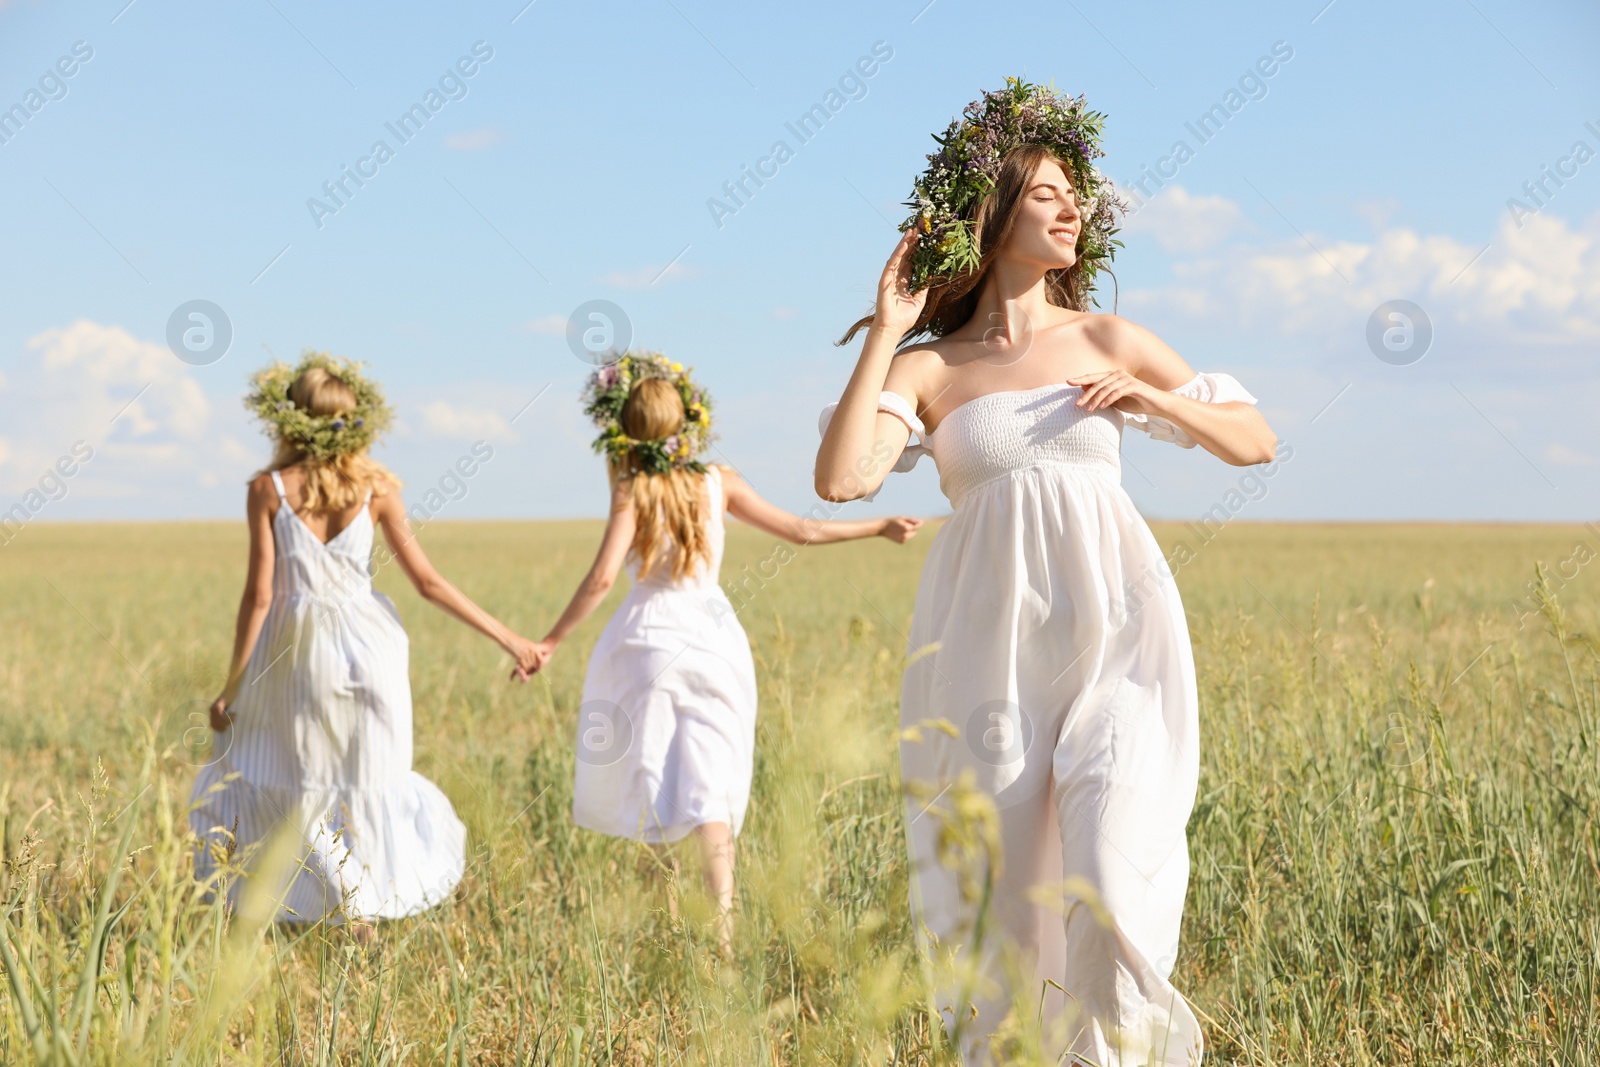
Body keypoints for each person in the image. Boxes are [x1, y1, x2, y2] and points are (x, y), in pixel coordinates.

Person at [815, 80, 1277, 1065]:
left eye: (1078, 197)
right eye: (1050, 193)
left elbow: (1255, 439)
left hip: (1117, 631)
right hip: (990, 653)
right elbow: (844, 476)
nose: (1075, 210)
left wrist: (1155, 395)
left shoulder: (1109, 338)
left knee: (1108, 872)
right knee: (1013, 910)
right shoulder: (932, 368)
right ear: (994, 214)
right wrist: (889, 330)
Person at [515, 351, 921, 957]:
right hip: (711, 638)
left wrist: (549, 640)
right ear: (686, 421)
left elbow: (602, 580)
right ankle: (724, 935)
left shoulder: (634, 486)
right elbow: (799, 530)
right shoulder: (718, 480)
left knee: (648, 772)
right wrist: (877, 525)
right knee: (712, 782)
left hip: (644, 640)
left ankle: (666, 923)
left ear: (626, 426)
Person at [192, 352, 539, 929]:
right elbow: (428, 583)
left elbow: (258, 596)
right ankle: (363, 912)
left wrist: (231, 688)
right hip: (373, 651)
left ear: (289, 418)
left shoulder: (269, 489)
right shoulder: (376, 487)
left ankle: (332, 912)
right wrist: (512, 638)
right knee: (369, 783)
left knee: (301, 787)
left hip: (299, 657)